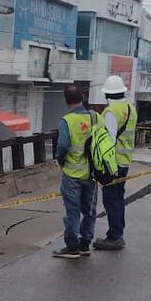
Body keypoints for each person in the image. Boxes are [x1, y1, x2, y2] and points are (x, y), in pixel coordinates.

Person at [53, 84, 116, 258]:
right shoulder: (96, 117)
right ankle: (85, 244)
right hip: (92, 174)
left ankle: (72, 246)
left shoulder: (67, 121)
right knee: (89, 211)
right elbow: (105, 140)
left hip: (72, 175)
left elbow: (63, 145)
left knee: (72, 212)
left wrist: (60, 160)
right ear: (83, 98)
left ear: (66, 101)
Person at [93, 74, 133, 251]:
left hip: (113, 163)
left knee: (111, 200)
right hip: (125, 162)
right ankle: (118, 233)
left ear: (106, 94)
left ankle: (114, 236)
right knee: (118, 198)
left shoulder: (110, 112)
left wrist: (102, 167)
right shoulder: (131, 108)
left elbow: (108, 141)